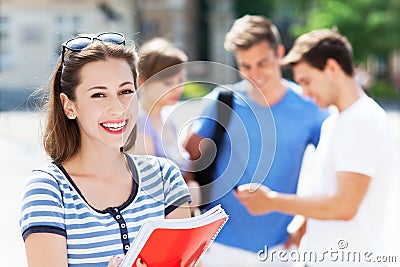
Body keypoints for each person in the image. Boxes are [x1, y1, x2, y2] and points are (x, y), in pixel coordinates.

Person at [19, 32, 191, 267]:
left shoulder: (166, 178)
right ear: (69, 106)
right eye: (99, 95)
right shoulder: (49, 190)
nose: (118, 108)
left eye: (125, 91)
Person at [236, 29, 394, 266]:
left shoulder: (364, 121)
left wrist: (272, 201)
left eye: (307, 81)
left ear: (332, 69)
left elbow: (344, 205)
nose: (306, 93)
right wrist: (304, 225)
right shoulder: (334, 120)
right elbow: (328, 190)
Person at [183, 15, 329, 266]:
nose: (255, 74)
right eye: (246, 66)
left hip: (279, 249)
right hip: (217, 246)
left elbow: (332, 172)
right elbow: (188, 168)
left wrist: (303, 228)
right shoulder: (221, 101)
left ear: (280, 53)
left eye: (262, 63)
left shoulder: (310, 107)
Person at [130, 37, 200, 213]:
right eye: (168, 83)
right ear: (143, 81)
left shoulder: (169, 120)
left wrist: (192, 185)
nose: (178, 89)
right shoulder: (138, 123)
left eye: (180, 80)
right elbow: (147, 189)